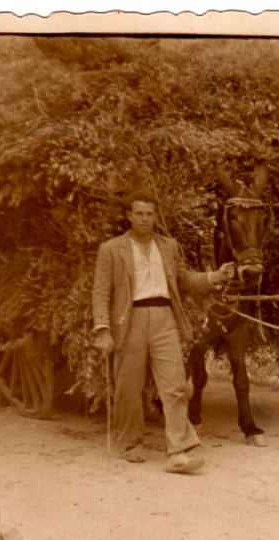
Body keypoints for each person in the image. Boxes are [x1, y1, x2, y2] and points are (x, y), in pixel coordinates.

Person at [92, 190, 235, 474]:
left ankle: (180, 451)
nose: (145, 219)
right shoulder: (111, 249)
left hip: (164, 318)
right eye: (139, 213)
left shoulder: (169, 247)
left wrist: (213, 277)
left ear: (156, 217)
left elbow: (183, 280)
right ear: (129, 216)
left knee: (175, 386)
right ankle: (131, 444)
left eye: (150, 214)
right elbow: (100, 291)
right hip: (129, 319)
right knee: (128, 387)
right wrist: (102, 329)